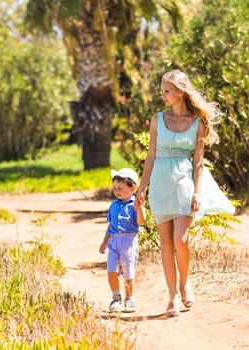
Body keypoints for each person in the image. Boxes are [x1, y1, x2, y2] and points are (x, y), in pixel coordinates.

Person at [135, 69, 235, 317]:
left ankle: (184, 282)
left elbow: (198, 162)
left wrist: (197, 193)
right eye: (162, 90)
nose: (163, 94)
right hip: (160, 185)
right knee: (166, 243)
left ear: (181, 92)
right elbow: (151, 156)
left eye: (167, 90)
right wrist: (141, 188)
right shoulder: (157, 119)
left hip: (185, 185)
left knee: (181, 239)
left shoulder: (197, 123)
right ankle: (172, 297)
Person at [99, 168, 146, 313]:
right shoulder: (113, 205)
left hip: (129, 242)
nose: (116, 191)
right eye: (115, 188)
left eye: (120, 188)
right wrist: (104, 242)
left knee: (128, 272)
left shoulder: (134, 205)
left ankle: (129, 299)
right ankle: (115, 298)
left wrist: (140, 209)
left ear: (132, 187)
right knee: (111, 270)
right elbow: (110, 225)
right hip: (114, 242)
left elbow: (141, 221)